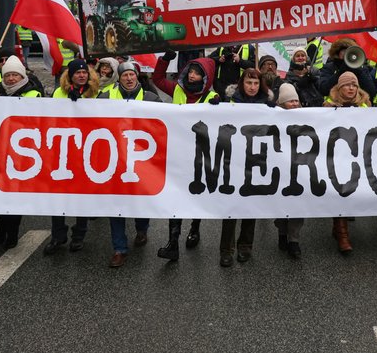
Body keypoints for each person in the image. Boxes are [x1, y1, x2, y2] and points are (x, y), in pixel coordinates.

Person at [151, 51, 218, 261]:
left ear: (205, 77)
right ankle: (173, 242)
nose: (192, 76)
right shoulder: (178, 89)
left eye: (197, 73)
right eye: (190, 71)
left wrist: (219, 107)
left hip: (199, 155)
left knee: (196, 194)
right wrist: (165, 60)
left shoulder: (212, 98)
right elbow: (157, 79)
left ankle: (195, 228)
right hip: (178, 153)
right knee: (175, 196)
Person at [97, 61, 160, 267]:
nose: (129, 79)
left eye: (132, 75)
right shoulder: (106, 96)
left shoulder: (151, 98)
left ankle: (142, 229)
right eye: (125, 75)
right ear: (119, 78)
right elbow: (91, 118)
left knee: (139, 202)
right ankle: (119, 248)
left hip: (142, 161)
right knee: (116, 204)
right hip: (115, 161)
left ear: (137, 77)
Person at [44, 59, 100, 255]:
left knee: (81, 197)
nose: (82, 75)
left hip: (86, 151)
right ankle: (58, 235)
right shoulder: (59, 93)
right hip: (62, 151)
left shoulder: (96, 93)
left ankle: (79, 235)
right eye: (77, 73)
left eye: (84, 72)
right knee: (57, 196)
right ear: (70, 76)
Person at [219, 68, 273, 267]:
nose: (252, 87)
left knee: (251, 206)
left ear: (261, 85)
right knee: (231, 207)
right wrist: (214, 108)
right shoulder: (230, 102)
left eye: (256, 83)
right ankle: (226, 249)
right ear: (242, 83)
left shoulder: (268, 105)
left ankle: (245, 246)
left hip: (257, 160)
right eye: (249, 83)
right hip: (234, 160)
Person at [0, 57, 42, 249]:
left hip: (22, 153)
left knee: (14, 195)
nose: (11, 78)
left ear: (22, 76)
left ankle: (12, 232)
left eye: (15, 75)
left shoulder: (34, 94)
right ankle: (1, 226)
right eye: (8, 75)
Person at [324, 71, 371, 253]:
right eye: (346, 85)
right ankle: (343, 234)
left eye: (354, 85)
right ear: (339, 87)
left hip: (359, 155)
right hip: (337, 156)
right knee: (340, 191)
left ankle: (338, 228)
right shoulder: (328, 106)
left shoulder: (366, 106)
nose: (351, 88)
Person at [273, 83, 305, 259]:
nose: (294, 104)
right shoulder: (273, 116)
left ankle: (294, 240)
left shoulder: (306, 115)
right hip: (280, 167)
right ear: (282, 102)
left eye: (296, 100)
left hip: (299, 167)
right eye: (290, 101)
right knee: (281, 203)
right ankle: (282, 233)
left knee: (297, 204)